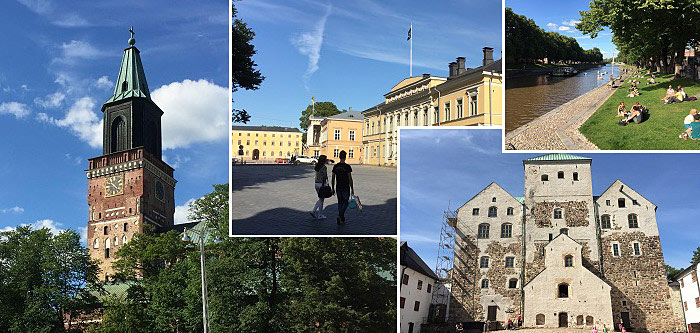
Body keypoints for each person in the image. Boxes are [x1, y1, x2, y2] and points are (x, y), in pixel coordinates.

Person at [331, 150, 354, 225]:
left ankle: (341, 218)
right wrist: (352, 189)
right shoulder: (347, 167)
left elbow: (333, 178)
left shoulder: (335, 166)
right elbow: (350, 178)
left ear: (339, 156)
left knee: (340, 202)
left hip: (338, 186)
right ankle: (340, 215)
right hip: (345, 186)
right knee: (346, 202)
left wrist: (332, 188)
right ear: (345, 157)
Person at [311, 155, 329, 219]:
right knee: (321, 199)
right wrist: (326, 184)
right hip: (321, 184)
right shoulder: (324, 167)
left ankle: (317, 213)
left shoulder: (317, 166)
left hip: (316, 183)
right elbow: (325, 176)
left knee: (321, 199)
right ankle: (317, 213)